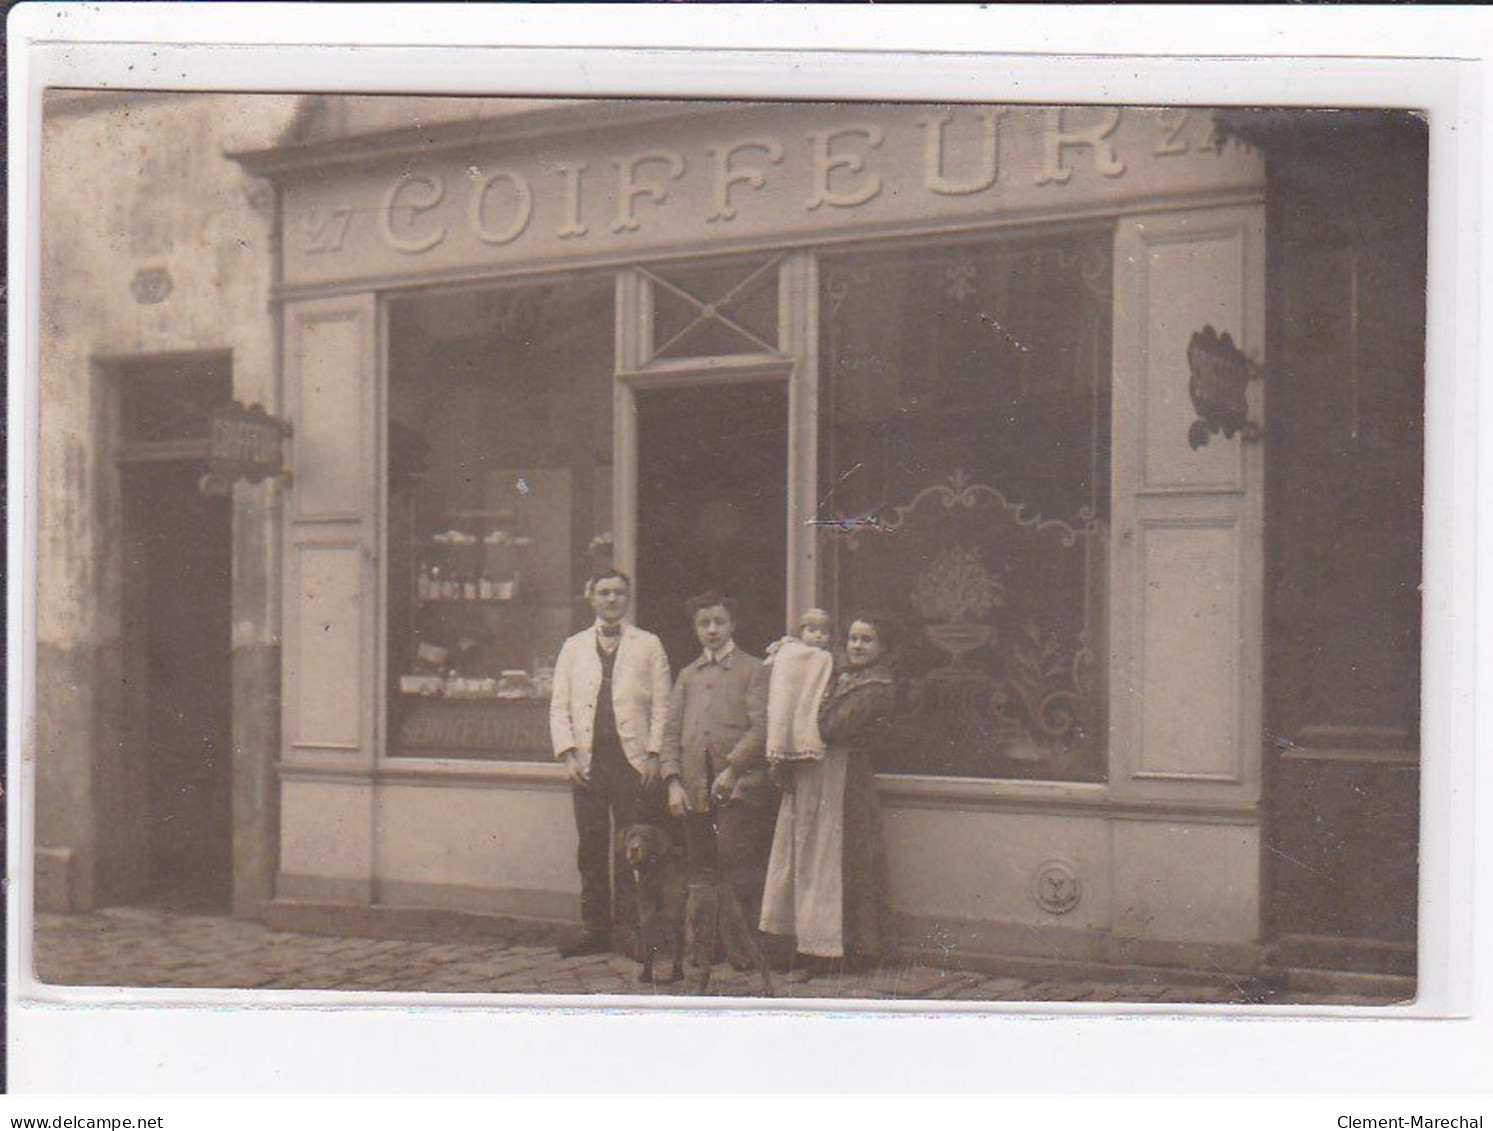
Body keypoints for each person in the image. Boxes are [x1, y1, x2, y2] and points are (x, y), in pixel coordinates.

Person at [760, 612, 897, 981]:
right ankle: (807, 943)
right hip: (819, 776)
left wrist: (808, 693)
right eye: (852, 638)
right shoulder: (838, 674)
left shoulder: (876, 687)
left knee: (838, 863)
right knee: (810, 858)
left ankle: (838, 950)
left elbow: (831, 726)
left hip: (847, 780)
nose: (857, 646)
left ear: (881, 647)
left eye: (866, 640)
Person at [549, 569, 671, 958]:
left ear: (628, 599)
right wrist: (567, 754)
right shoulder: (573, 647)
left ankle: (630, 930)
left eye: (619, 593)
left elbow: (663, 706)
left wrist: (654, 754)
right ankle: (595, 927)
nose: (612, 599)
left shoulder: (648, 645)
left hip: (630, 761)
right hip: (588, 761)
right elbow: (559, 706)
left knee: (631, 846)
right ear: (592, 598)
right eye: (604, 592)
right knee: (591, 846)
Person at [660, 592, 775, 936]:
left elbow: (763, 727)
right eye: (704, 623)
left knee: (736, 864)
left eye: (719, 622)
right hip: (694, 789)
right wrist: (673, 782)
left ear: (732, 625)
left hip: (737, 787)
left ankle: (741, 946)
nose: (712, 630)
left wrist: (734, 767)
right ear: (695, 629)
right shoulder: (688, 675)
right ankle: (706, 946)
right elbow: (671, 733)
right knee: (701, 869)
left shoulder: (752, 670)